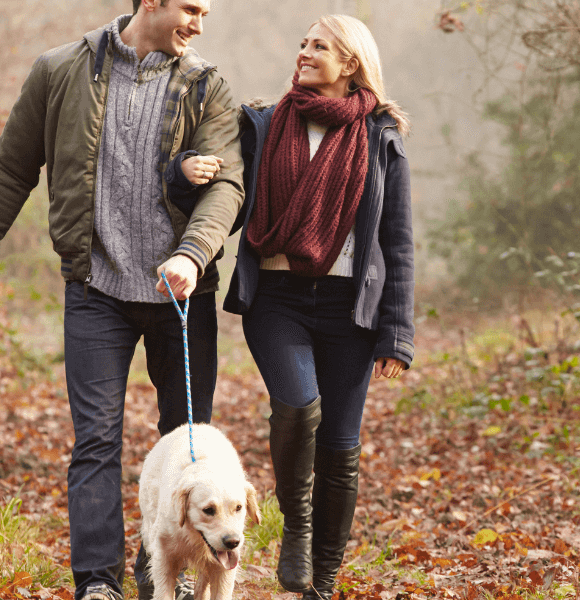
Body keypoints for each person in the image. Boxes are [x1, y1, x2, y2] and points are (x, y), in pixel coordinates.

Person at [0, 1, 243, 598]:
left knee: (186, 442)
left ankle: (170, 574)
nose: (199, 24)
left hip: (181, 293)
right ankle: (97, 582)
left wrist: (192, 253)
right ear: (151, 1)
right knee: (96, 441)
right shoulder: (58, 71)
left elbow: (227, 185)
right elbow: (10, 171)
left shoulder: (208, 86)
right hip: (94, 288)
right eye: (190, 8)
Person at [220, 14, 414, 600]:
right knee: (299, 406)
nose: (304, 53)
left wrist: (396, 334)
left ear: (350, 63)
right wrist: (186, 176)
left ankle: (323, 582)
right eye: (303, 44)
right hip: (277, 299)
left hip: (350, 309)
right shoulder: (264, 123)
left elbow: (397, 241)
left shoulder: (379, 136)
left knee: (341, 447)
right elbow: (223, 198)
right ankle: (296, 523)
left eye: (319, 46)